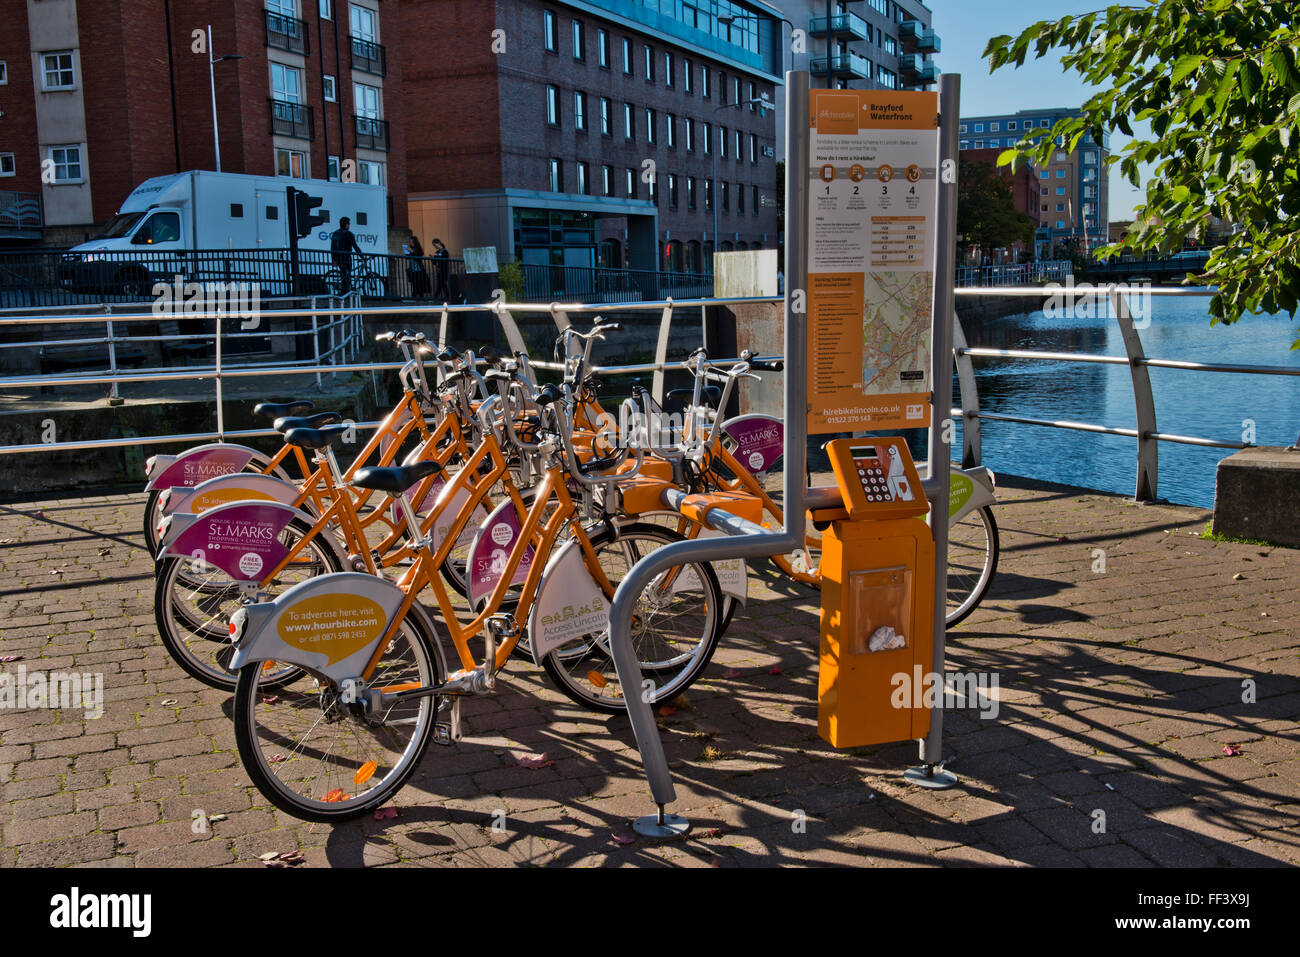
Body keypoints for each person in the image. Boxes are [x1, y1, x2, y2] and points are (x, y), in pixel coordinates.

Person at [330, 217, 364, 293]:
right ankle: (346, 291)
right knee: (347, 273)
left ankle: (344, 290)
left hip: (338, 257)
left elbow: (332, 247)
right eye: (349, 224)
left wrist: (333, 259)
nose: (349, 225)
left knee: (344, 273)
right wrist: (362, 256)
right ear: (346, 225)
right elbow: (355, 246)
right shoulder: (348, 234)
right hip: (346, 257)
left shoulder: (335, 233)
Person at [406, 230, 430, 297]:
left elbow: (418, 257)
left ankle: (420, 296)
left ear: (415, 242)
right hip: (412, 269)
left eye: (412, 242)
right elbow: (409, 258)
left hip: (419, 269)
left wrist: (412, 252)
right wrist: (407, 253)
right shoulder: (411, 249)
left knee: (419, 284)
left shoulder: (418, 249)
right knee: (414, 284)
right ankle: (415, 296)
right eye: (410, 242)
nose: (411, 243)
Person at [432, 237, 451, 302]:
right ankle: (447, 297)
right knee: (442, 285)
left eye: (435, 245)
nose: (435, 246)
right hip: (438, 271)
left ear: (438, 243)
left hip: (444, 270)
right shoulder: (436, 252)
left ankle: (436, 297)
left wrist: (438, 260)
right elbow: (434, 262)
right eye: (434, 245)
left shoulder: (445, 252)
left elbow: (445, 261)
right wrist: (432, 259)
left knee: (441, 284)